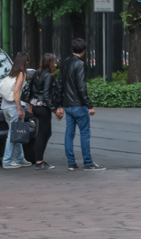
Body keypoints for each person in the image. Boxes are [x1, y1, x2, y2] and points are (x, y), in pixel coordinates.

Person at [59, 37, 105, 171]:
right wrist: (89, 105)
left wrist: (59, 104)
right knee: (84, 133)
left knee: (69, 133)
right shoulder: (79, 64)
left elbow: (60, 84)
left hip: (67, 104)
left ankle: (71, 162)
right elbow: (81, 87)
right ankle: (88, 162)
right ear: (84, 50)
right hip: (78, 104)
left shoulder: (66, 62)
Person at [24, 53, 63, 170]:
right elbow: (46, 95)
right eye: (54, 62)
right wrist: (54, 110)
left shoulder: (37, 73)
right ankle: (39, 161)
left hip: (36, 106)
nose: (55, 64)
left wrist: (30, 105)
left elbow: (30, 90)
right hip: (43, 107)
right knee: (43, 133)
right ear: (50, 63)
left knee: (45, 132)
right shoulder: (49, 76)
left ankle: (39, 159)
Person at [0, 52, 31, 169]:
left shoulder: (11, 74)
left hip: (6, 107)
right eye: (27, 61)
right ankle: (7, 161)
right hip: (14, 107)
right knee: (13, 134)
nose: (28, 63)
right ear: (25, 62)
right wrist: (19, 109)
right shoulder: (21, 74)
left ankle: (19, 158)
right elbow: (16, 92)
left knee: (17, 133)